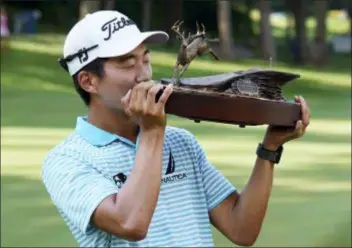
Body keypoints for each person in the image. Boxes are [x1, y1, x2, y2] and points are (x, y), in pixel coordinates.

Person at [41, 10, 311, 247]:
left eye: (145, 59)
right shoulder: (66, 161)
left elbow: (242, 229)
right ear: (88, 82)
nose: (144, 74)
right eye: (127, 63)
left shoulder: (181, 142)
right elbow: (131, 223)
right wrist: (152, 131)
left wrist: (269, 149)